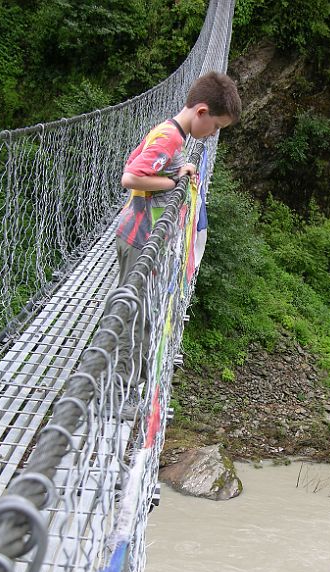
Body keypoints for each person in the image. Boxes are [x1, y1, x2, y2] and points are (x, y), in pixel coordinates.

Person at [114, 71, 241, 405]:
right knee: (136, 314)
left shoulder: (171, 132)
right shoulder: (170, 138)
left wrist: (178, 170)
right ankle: (122, 391)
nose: (213, 135)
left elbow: (144, 161)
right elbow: (131, 176)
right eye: (215, 126)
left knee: (141, 311)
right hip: (140, 239)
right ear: (201, 112)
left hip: (142, 237)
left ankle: (127, 383)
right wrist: (172, 184)